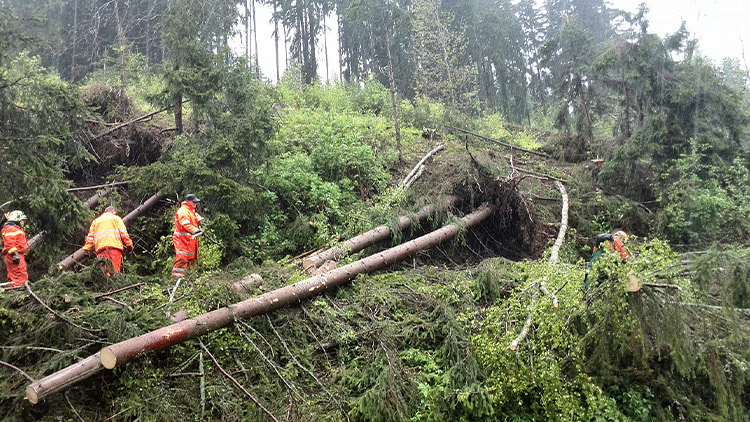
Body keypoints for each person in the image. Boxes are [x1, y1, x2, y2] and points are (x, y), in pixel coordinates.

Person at [82, 206, 133, 275]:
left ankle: (106, 285)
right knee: (114, 272)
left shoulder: (96, 221)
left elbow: (90, 237)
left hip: (101, 250)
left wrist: (87, 248)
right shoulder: (116, 218)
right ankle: (113, 285)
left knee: (104, 273)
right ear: (113, 212)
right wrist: (129, 245)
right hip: (114, 249)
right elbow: (124, 233)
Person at [171, 194, 204, 280]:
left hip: (189, 240)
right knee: (182, 259)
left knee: (191, 260)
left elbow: (194, 215)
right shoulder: (183, 211)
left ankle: (188, 280)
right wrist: (195, 230)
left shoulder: (190, 210)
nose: (196, 204)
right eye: (194, 202)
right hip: (181, 240)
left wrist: (199, 219)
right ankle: (176, 280)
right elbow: (185, 224)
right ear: (188, 201)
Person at [2, 210, 30, 288]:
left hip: (17, 255)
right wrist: (15, 254)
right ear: (17, 219)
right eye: (22, 220)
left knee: (14, 277)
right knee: (19, 276)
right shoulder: (11, 228)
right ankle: (19, 293)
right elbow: (9, 243)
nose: (23, 222)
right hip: (14, 255)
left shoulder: (14, 228)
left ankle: (11, 293)